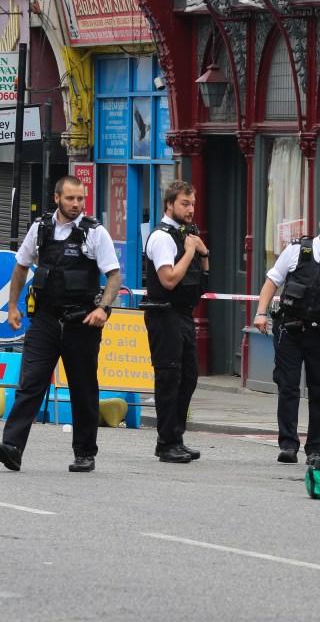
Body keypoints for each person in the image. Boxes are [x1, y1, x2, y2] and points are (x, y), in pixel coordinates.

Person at [0, 176, 121, 473]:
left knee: (83, 388)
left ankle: (85, 453)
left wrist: (104, 308)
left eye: (80, 199)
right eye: (70, 199)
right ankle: (12, 447)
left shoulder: (95, 233)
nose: (76, 204)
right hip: (46, 320)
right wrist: (12, 307)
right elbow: (21, 266)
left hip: (81, 321)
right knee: (31, 382)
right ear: (57, 198)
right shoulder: (41, 228)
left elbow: (114, 276)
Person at [253, 206, 320, 465]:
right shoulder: (297, 250)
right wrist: (261, 313)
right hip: (290, 331)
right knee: (288, 387)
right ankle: (288, 445)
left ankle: (315, 450)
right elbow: (272, 281)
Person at [142, 181, 209, 463]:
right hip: (163, 313)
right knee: (169, 377)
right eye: (184, 203)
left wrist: (203, 254)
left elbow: (203, 281)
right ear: (169, 205)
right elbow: (168, 279)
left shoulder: (188, 234)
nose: (190, 209)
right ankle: (167, 442)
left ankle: (174, 438)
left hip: (184, 313)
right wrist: (193, 251)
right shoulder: (162, 237)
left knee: (188, 378)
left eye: (192, 203)